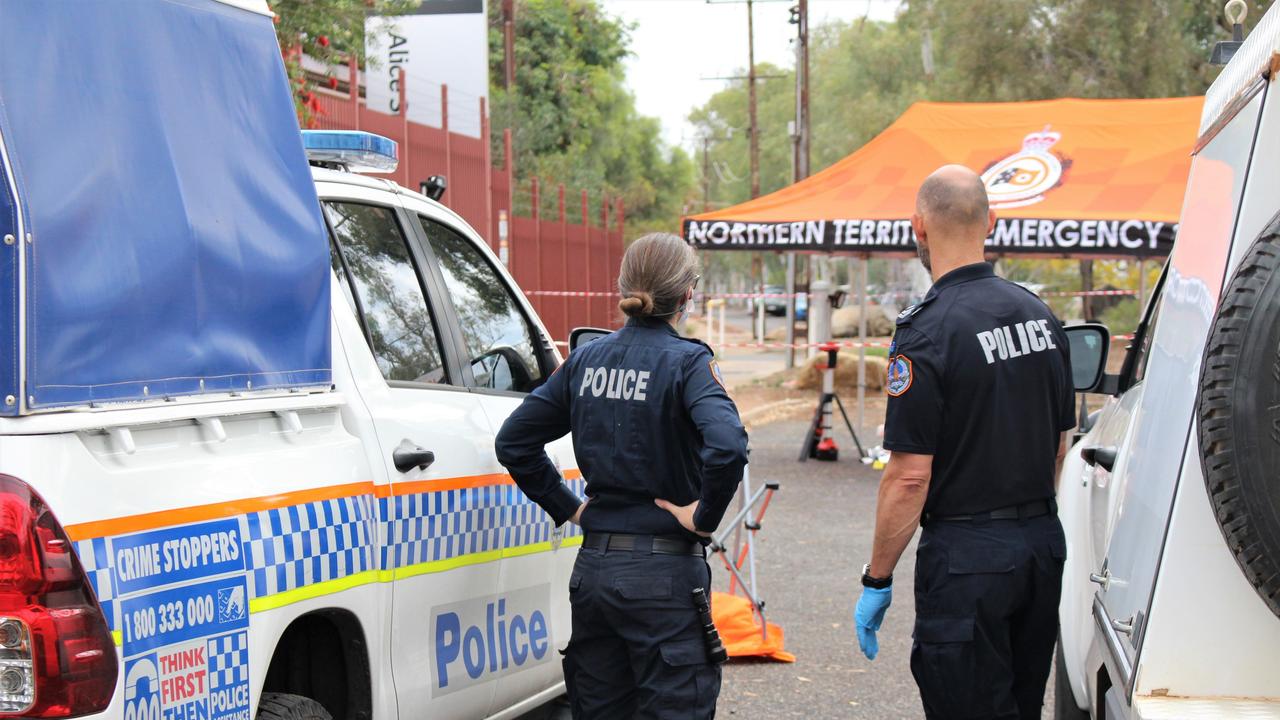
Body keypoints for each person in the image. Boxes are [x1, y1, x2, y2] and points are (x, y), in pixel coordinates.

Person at [495, 232, 748, 720]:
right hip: (665, 577)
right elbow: (729, 445)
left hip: (594, 576)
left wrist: (568, 507)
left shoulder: (586, 359)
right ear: (688, 294)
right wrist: (704, 516)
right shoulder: (689, 362)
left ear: (624, 287)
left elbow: (514, 441)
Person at [853, 165, 1075, 719]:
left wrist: (877, 577)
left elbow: (909, 474)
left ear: (918, 228)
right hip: (1039, 548)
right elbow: (1059, 445)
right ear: (992, 223)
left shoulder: (926, 332)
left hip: (969, 559)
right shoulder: (1041, 318)